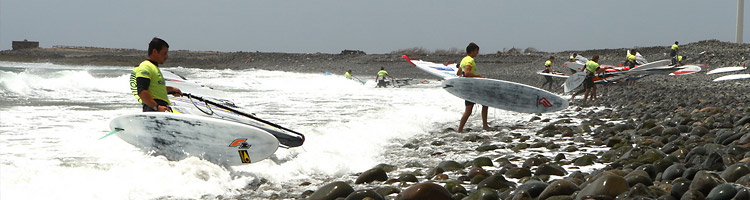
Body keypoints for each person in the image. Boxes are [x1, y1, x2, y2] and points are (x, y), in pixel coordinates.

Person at [129, 37, 182, 112]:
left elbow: (155, 89)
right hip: (153, 109)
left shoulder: (154, 67)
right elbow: (142, 91)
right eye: (164, 53)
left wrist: (172, 90)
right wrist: (156, 107)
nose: (166, 56)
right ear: (154, 51)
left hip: (160, 108)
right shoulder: (145, 67)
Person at [457, 42, 489, 133]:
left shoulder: (463, 60)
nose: (477, 53)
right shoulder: (470, 60)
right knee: (484, 104)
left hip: (467, 88)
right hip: (473, 88)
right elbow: (467, 73)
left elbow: (458, 73)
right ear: (472, 51)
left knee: (469, 110)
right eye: (476, 51)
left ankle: (459, 130)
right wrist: (479, 77)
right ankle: (485, 126)